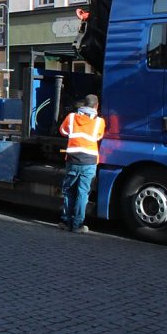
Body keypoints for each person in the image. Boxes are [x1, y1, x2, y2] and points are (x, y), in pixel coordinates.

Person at [58, 93, 105, 234]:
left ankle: (66, 221)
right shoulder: (99, 122)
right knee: (83, 192)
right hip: (89, 161)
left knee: (69, 191)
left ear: (84, 104)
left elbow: (63, 131)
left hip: (73, 159)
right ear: (96, 106)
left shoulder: (71, 117)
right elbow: (99, 136)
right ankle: (78, 225)